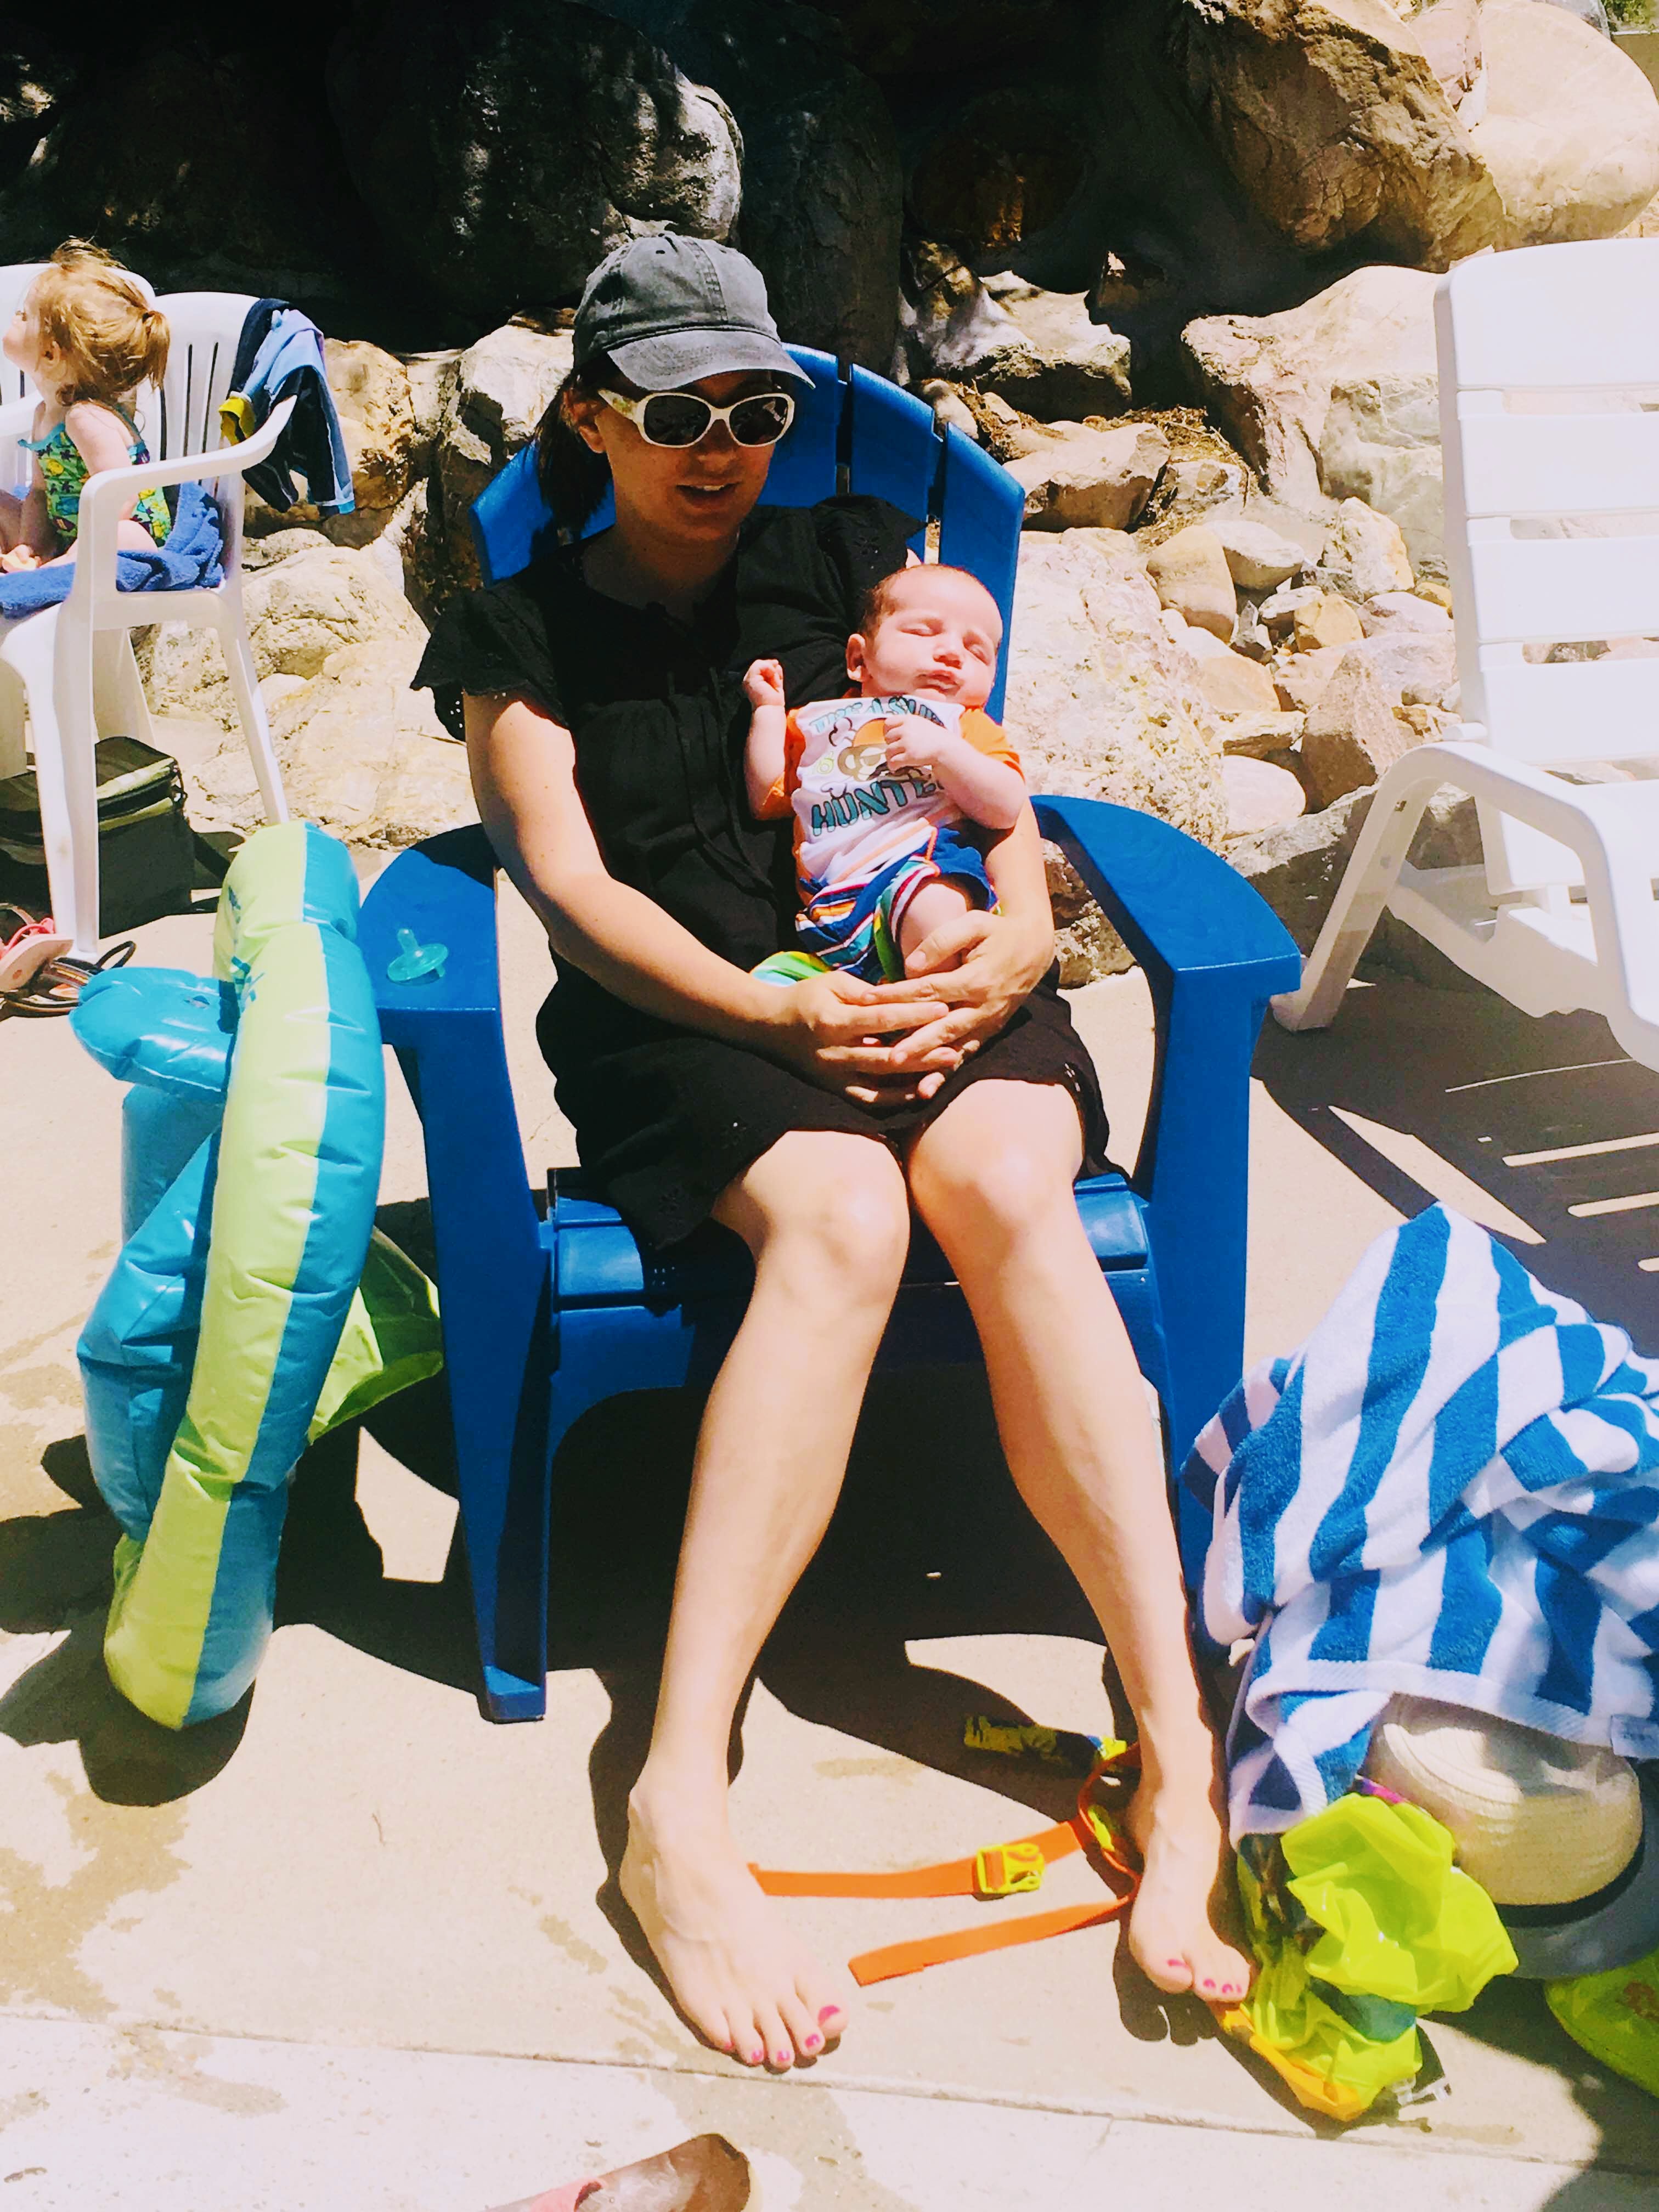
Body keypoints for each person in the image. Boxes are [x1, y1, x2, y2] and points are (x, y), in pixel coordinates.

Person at [414, 231, 1252, 2073]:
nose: (721, 446)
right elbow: (565, 884)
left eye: (756, 410)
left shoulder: (850, 562)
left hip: (923, 954)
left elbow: (978, 770)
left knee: (1009, 1184)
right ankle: (675, 1794)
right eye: (677, 413)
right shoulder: (521, 632)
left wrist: (1021, 932)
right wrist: (768, 1012)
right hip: (689, 1006)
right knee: (847, 1216)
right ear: (593, 419)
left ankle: (1181, 1753)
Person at [743, 563, 1026, 986]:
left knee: (934, 912)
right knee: (769, 984)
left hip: (924, 867)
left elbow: (1006, 806)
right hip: (833, 906)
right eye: (924, 632)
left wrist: (946, 754)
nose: (952, 652)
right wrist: (767, 711)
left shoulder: (963, 724)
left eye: (976, 651)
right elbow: (766, 797)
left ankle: (931, 1002)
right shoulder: (818, 722)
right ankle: (884, 1003)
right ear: (859, 659)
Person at [0, 241, 171, 575]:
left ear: (50, 354)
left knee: (122, 534)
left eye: (24, 316)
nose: (16, 318)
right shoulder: (44, 413)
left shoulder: (85, 418)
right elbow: (39, 493)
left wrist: (76, 550)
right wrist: (30, 546)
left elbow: (121, 499)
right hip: (70, 531)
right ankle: (38, 563)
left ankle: (54, 571)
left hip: (128, 531)